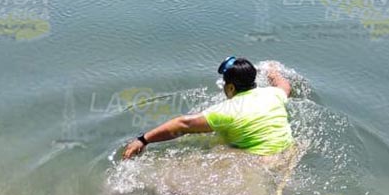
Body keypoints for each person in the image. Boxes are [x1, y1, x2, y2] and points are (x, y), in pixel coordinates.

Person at [122, 57, 293, 159]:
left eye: (225, 84)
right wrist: (273, 72)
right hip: (288, 154)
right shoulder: (274, 95)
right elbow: (284, 84)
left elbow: (183, 124)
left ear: (231, 87)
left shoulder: (227, 110)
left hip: (257, 161)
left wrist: (143, 140)